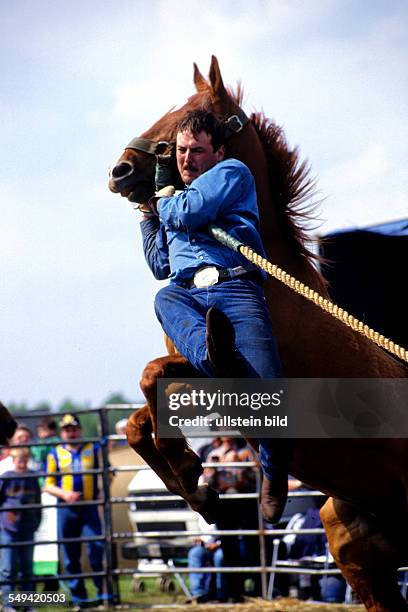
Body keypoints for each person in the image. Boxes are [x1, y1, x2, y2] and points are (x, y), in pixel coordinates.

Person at [139, 109, 287, 522]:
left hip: (234, 286)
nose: (187, 159)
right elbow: (159, 265)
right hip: (186, 291)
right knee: (163, 298)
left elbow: (186, 214)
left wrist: (162, 200)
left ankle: (274, 476)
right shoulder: (175, 199)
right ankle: (212, 355)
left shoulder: (232, 173)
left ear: (217, 152)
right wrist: (146, 217)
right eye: (182, 151)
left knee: (269, 395)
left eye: (197, 151)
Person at [43, 414, 105, 608]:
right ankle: (80, 599)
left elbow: (105, 475)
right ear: (62, 432)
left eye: (74, 429)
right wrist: (65, 494)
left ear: (80, 430)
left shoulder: (93, 450)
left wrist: (102, 494)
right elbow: (48, 484)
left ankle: (104, 595)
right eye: (66, 430)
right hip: (66, 509)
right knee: (71, 556)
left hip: (89, 508)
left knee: (96, 549)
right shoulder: (54, 454)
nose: (70, 433)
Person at [0, 447, 42, 612]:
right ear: (13, 460)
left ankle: (27, 603)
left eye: (25, 460)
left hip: (28, 527)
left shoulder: (32, 477)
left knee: (27, 568)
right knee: (8, 568)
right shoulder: (6, 478)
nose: (22, 463)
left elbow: (38, 501)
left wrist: (37, 521)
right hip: (8, 528)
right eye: (19, 460)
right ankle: (8, 603)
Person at [31, 417, 59, 485]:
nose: (40, 433)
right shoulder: (43, 442)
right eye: (39, 431)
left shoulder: (54, 441)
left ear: (53, 431)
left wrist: (32, 448)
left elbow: (39, 454)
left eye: (43, 430)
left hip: (49, 474)